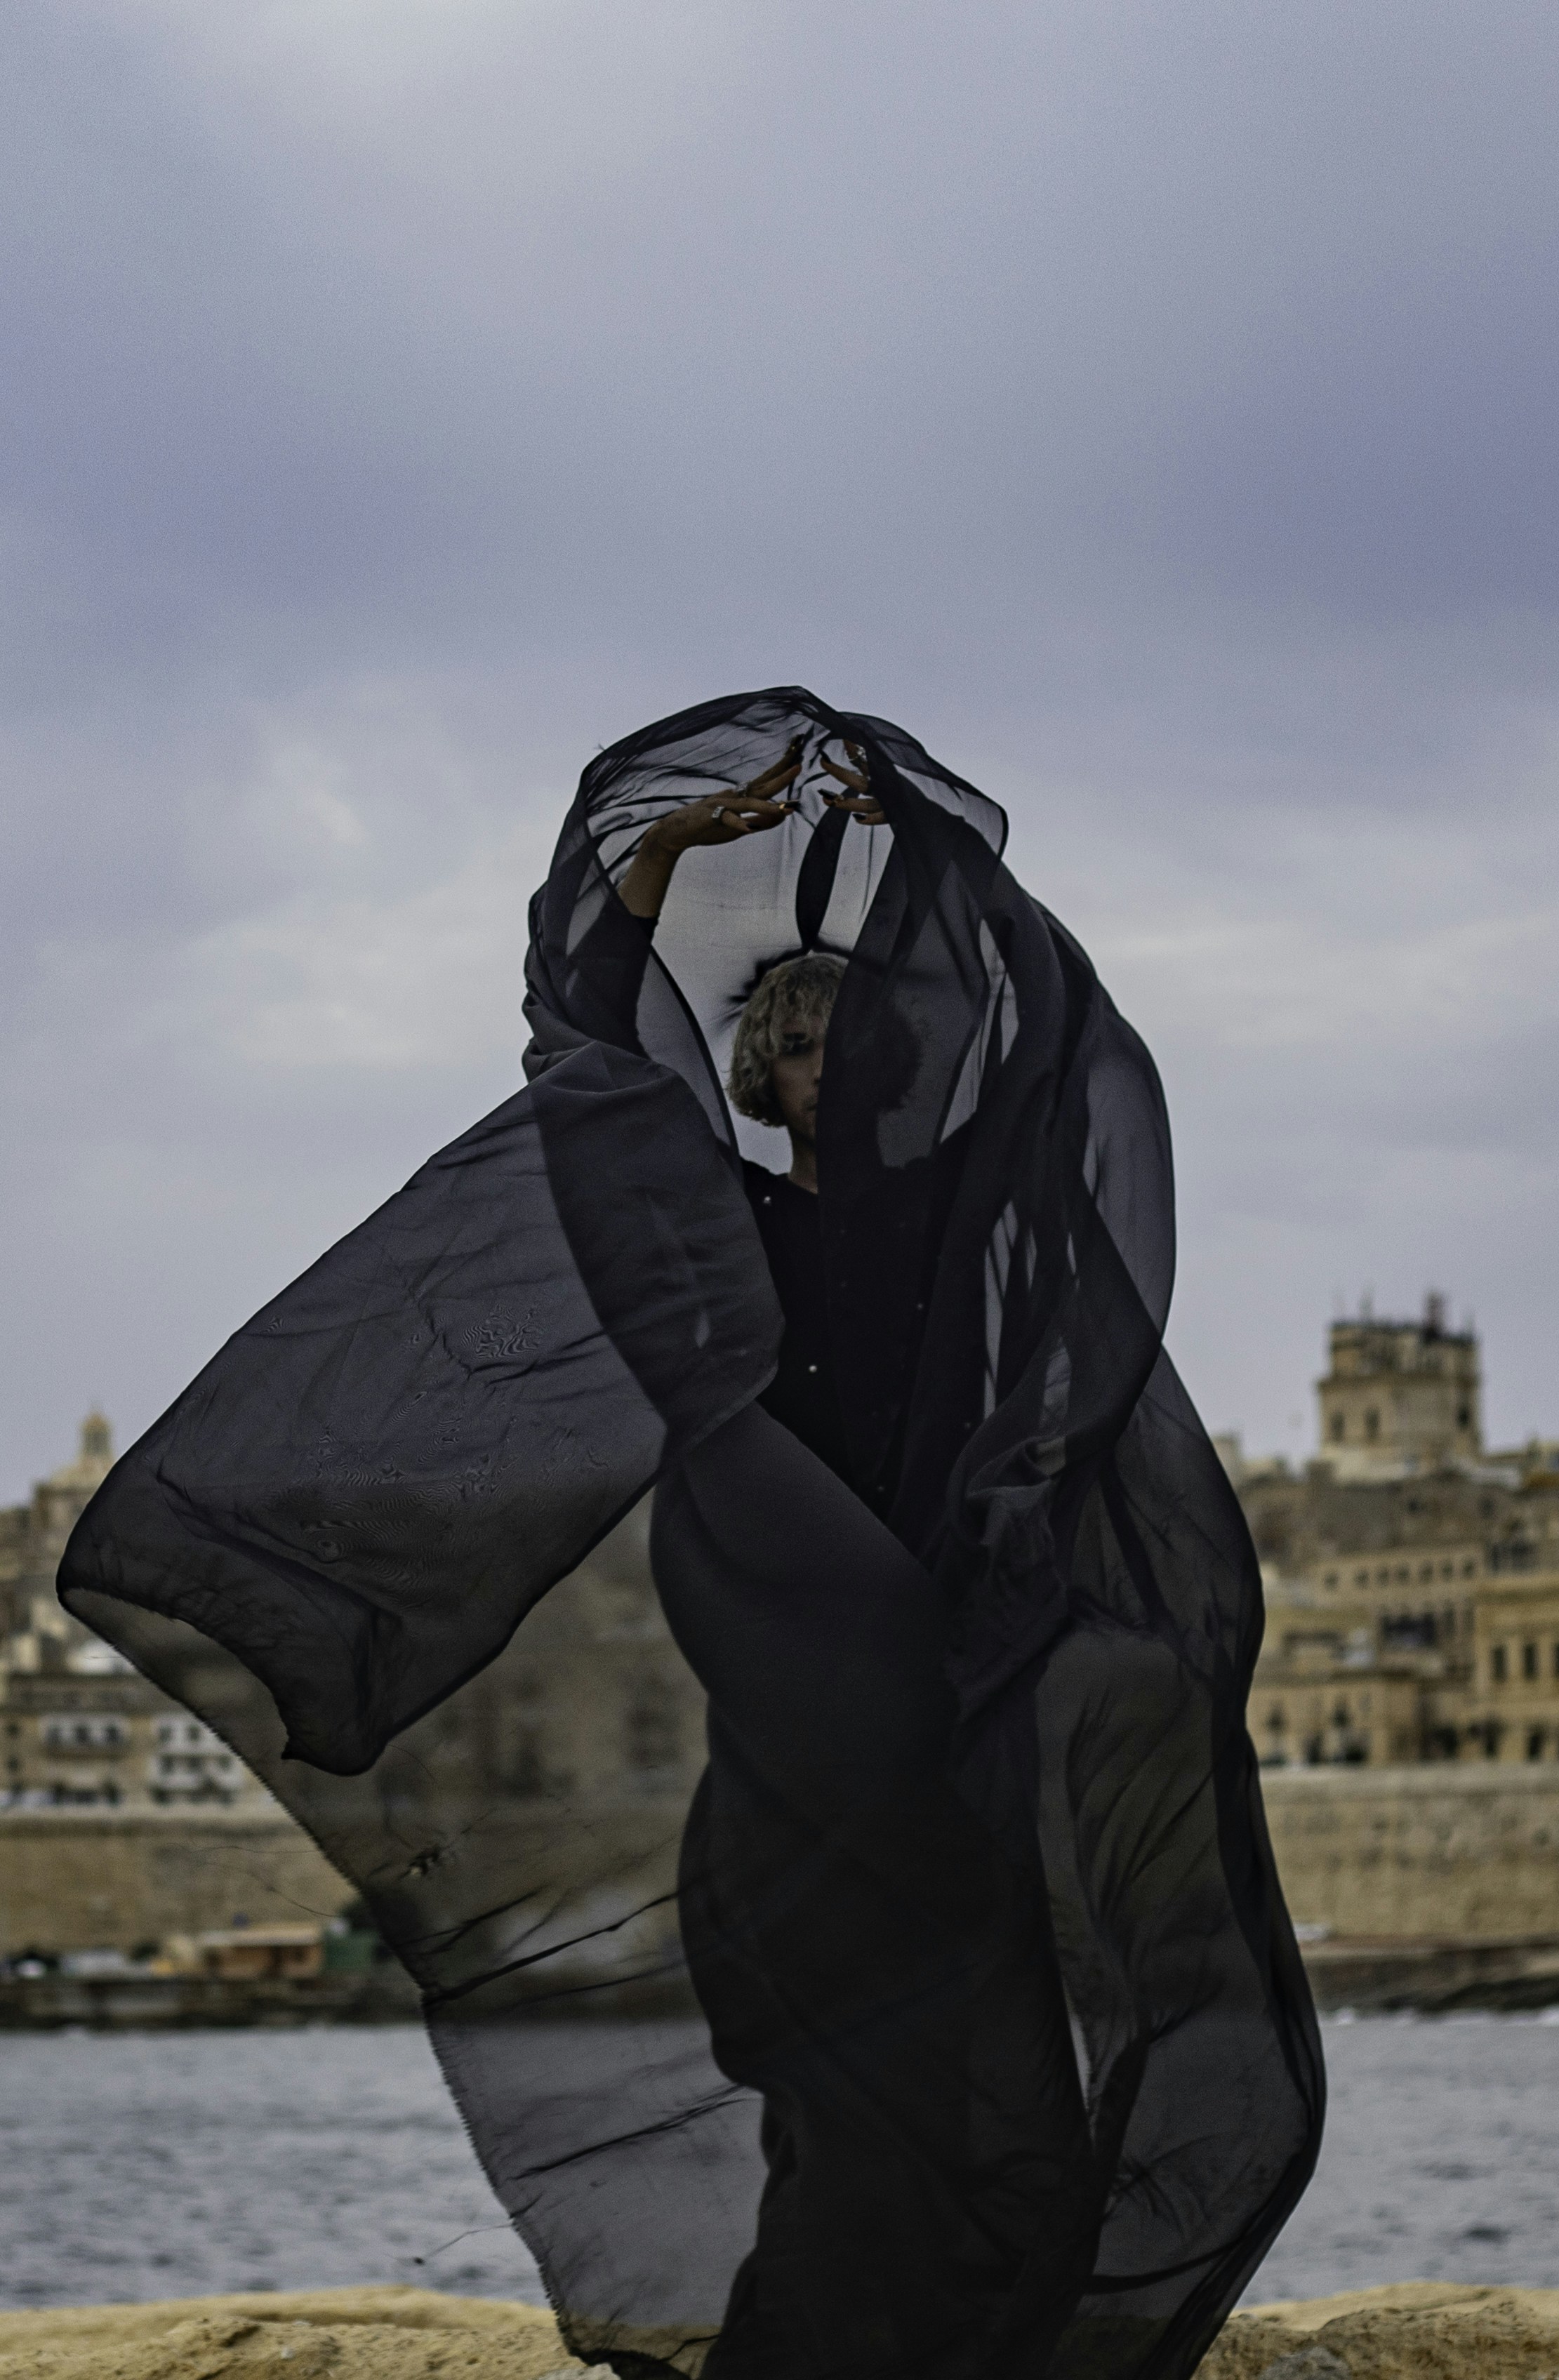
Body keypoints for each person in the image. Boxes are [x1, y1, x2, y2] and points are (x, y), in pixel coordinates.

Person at [60, 687, 1324, 2380]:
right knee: (845, 2114)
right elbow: (578, 1029)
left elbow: (1043, 1036)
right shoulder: (696, 1232)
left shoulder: (966, 1239)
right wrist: (658, 855)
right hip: (798, 1746)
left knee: (1002, 2113)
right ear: (757, 1072)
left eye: (862, 1039)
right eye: (799, 1043)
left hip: (946, 1728)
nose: (834, 1066)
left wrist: (912, 840)